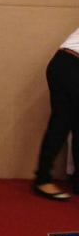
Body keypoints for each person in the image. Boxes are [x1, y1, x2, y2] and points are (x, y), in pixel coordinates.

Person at [32, 27, 79, 202]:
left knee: (72, 124)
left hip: (66, 64)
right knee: (61, 123)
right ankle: (42, 179)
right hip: (70, 65)